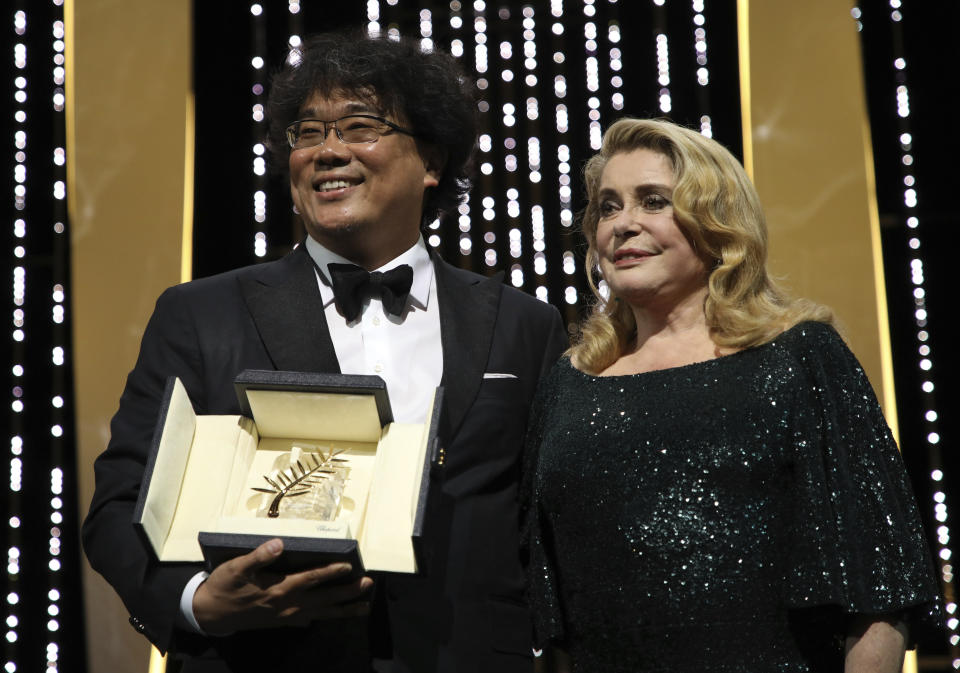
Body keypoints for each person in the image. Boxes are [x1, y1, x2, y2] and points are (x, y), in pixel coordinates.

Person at [83, 32, 567, 673]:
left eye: (360, 126)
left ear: (431, 161)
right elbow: (122, 504)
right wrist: (197, 601)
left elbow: (552, 520)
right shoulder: (199, 315)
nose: (327, 151)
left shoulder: (525, 324)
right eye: (307, 133)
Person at [522, 118, 940, 672]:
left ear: (714, 220)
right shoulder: (568, 384)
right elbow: (543, 603)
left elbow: (878, 585)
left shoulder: (799, 359)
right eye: (608, 206)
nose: (623, 225)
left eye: (653, 201)